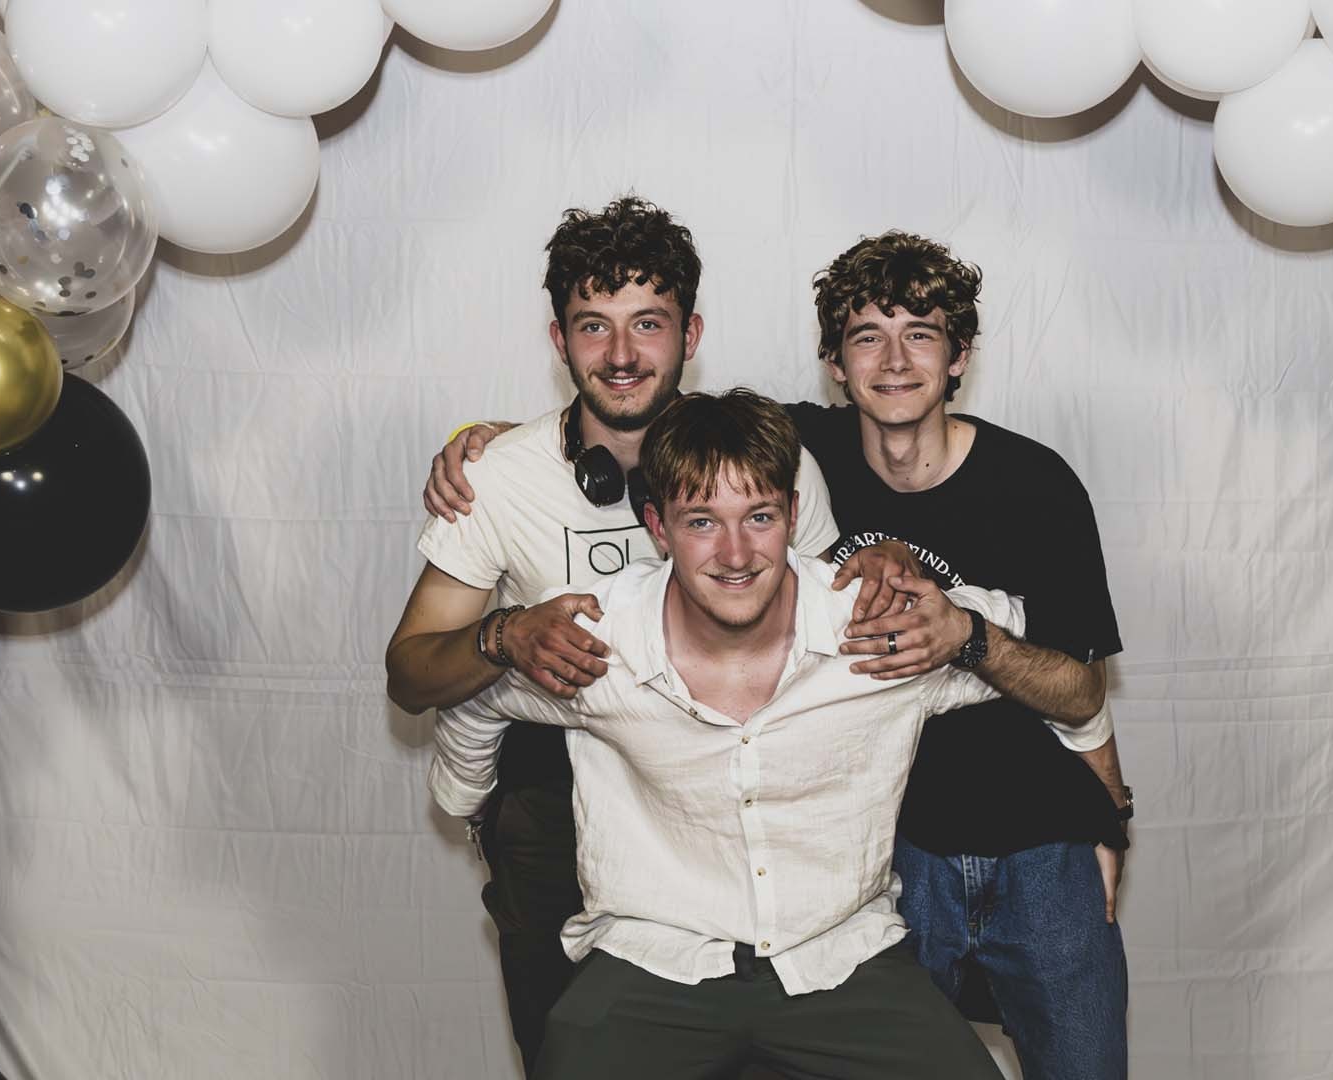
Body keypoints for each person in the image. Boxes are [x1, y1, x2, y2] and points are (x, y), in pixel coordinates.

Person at [384, 196, 915, 1072]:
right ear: (559, 341)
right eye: (594, 326)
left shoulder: (768, 462)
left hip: (731, 807)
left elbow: (826, 627)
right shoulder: (500, 476)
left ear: (690, 333)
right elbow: (409, 674)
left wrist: (886, 563)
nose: (622, 355)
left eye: (649, 324)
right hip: (556, 804)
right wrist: (503, 634)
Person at [429, 391, 1020, 1080]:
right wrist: (468, 799)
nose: (736, 554)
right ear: (658, 526)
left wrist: (967, 632)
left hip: (840, 957)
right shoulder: (602, 643)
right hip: (655, 961)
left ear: (793, 515)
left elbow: (1036, 637)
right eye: (703, 522)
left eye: (759, 517)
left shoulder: (871, 628)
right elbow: (476, 697)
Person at [796, 231, 1130, 1078]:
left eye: (921, 333)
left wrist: (968, 638)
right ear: (835, 362)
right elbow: (657, 433)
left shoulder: (1036, 486)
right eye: (868, 336)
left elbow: (1081, 687)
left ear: (959, 358)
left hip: (1042, 844)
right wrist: (499, 441)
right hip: (886, 855)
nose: (894, 360)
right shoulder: (798, 456)